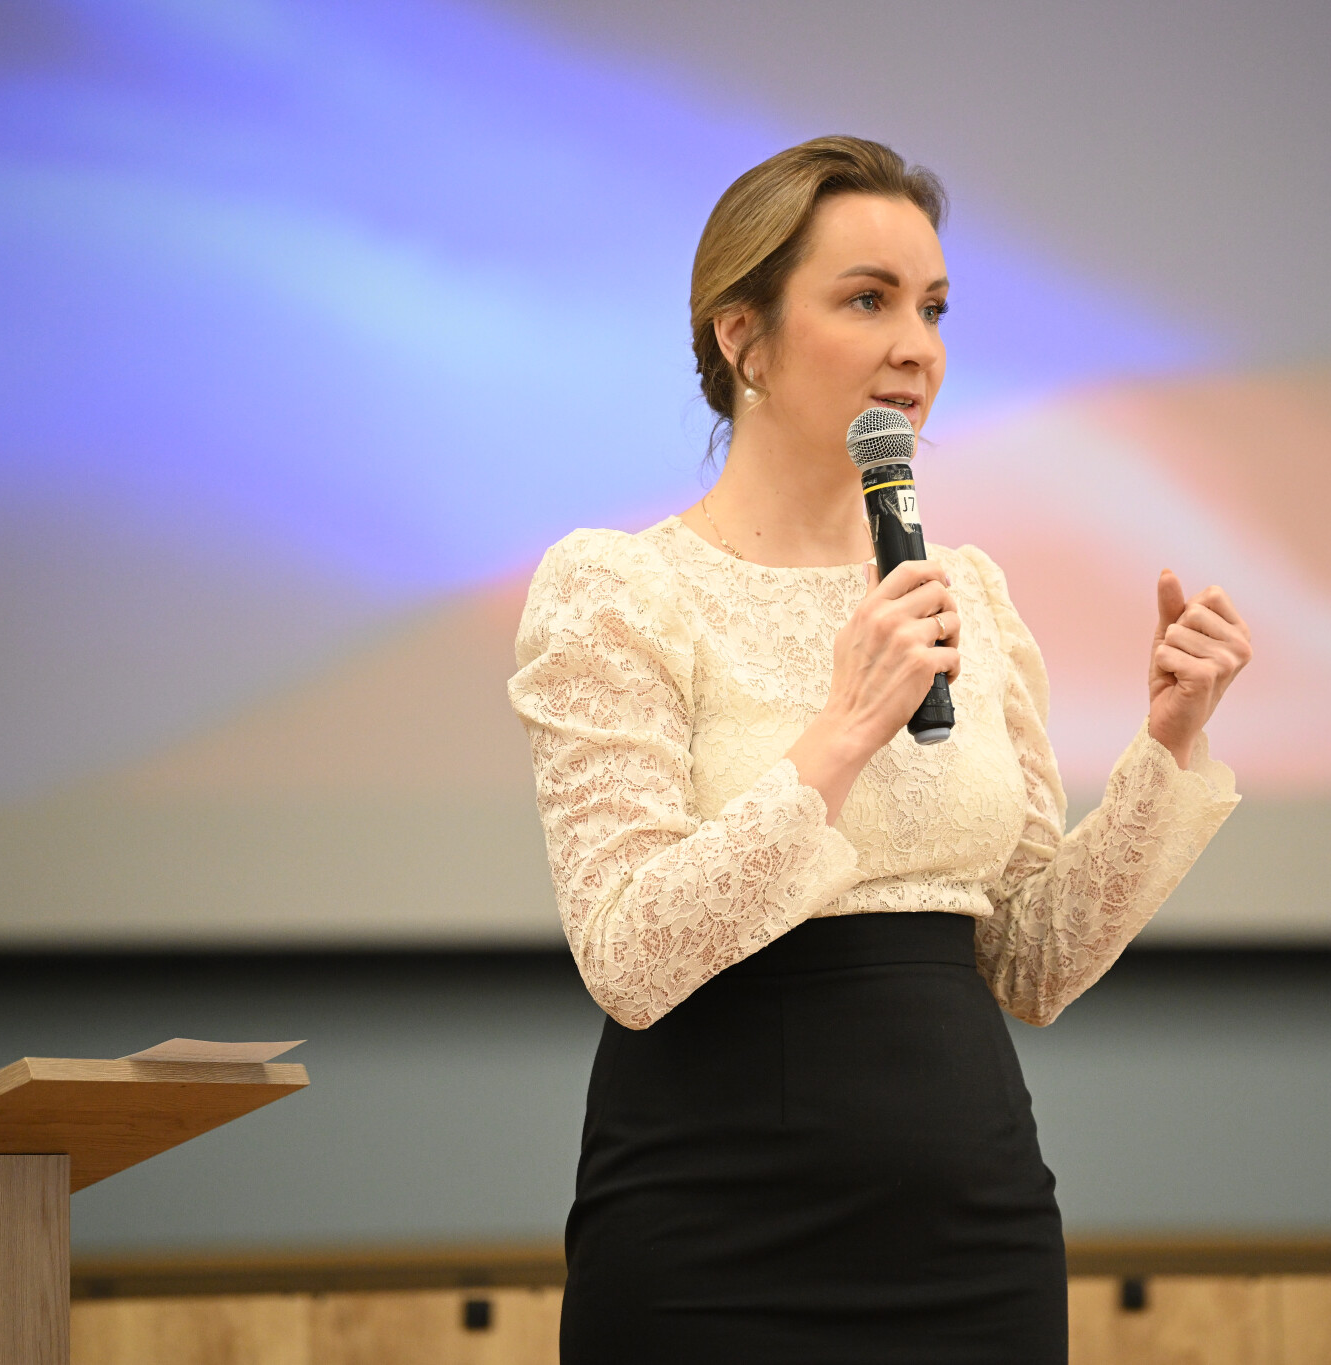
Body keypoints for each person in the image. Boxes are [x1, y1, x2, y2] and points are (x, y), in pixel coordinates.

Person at [509, 135, 1250, 1364]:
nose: (916, 347)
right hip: (708, 1236)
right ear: (741, 337)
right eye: (867, 300)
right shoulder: (618, 591)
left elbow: (1030, 960)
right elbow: (630, 957)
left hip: (970, 1230)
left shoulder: (969, 592)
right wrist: (843, 732)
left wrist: (1170, 742)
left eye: (933, 308)